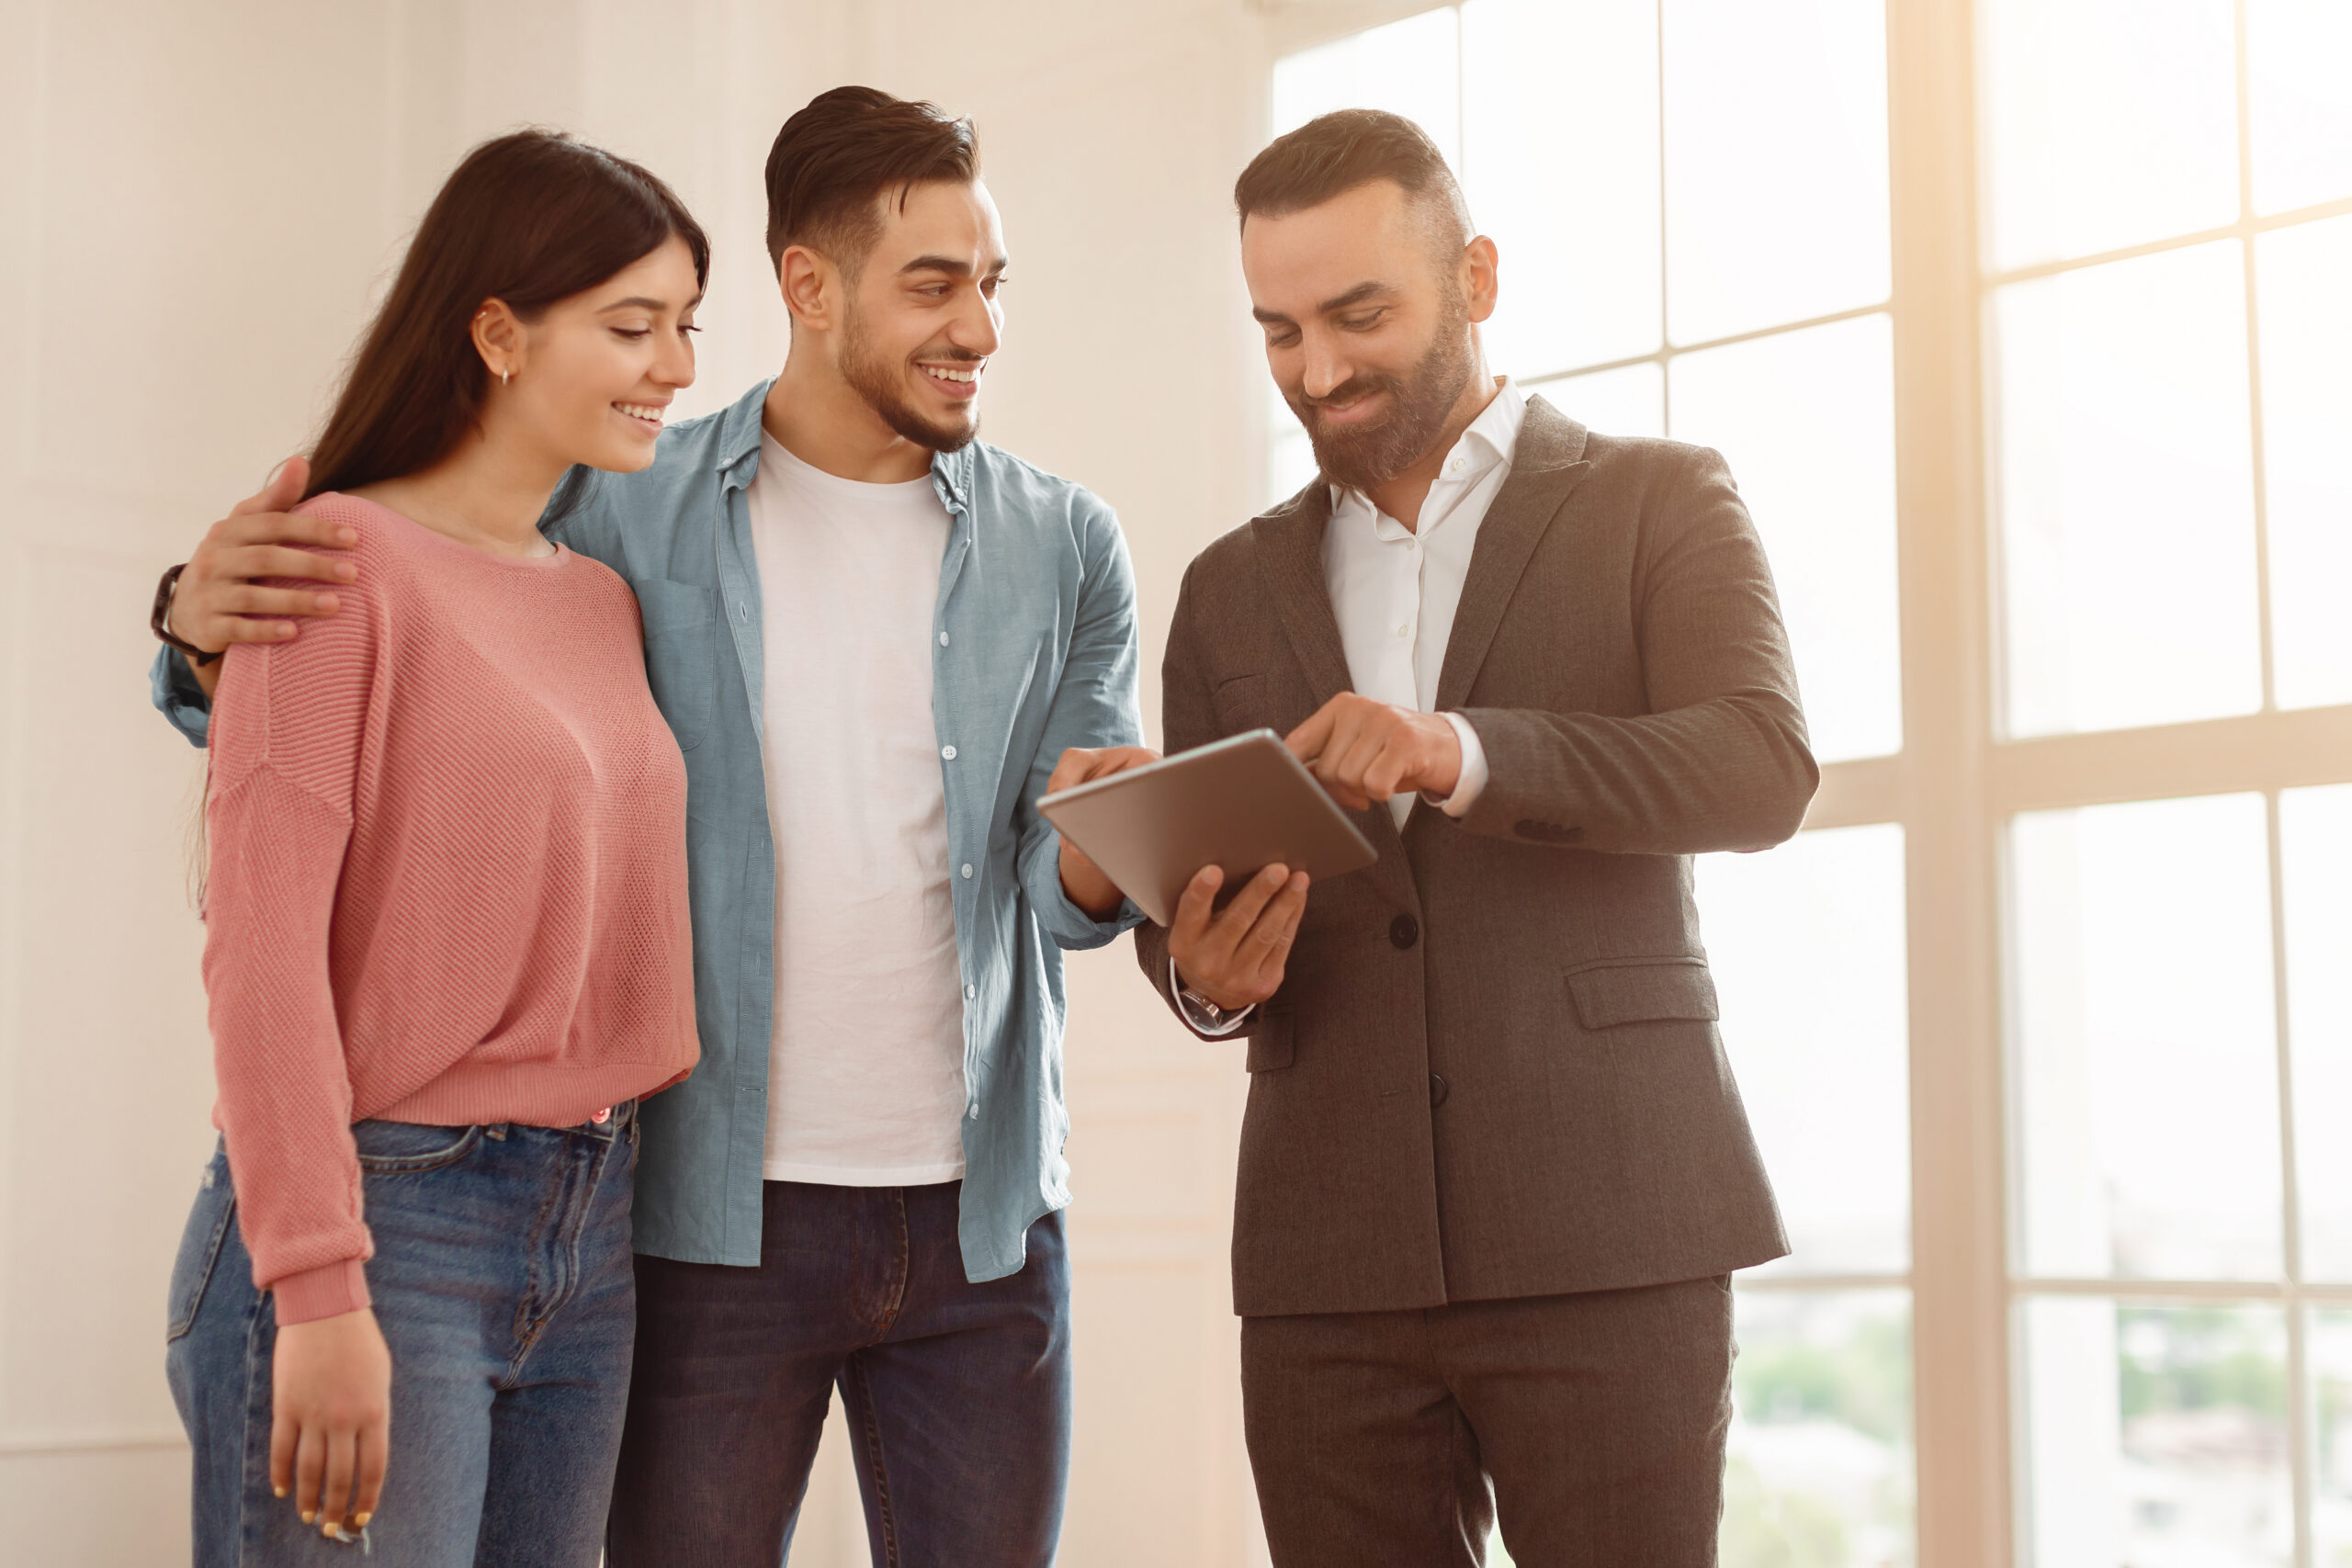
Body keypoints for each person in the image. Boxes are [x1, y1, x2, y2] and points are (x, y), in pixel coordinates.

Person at [151, 87, 1151, 1567]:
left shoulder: (1048, 545)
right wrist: (186, 627)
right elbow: (296, 806)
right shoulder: (604, 515)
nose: (980, 328)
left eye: (992, 283)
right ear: (810, 287)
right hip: (612, 1213)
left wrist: (1114, 850)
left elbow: (1060, 886)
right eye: (936, 283)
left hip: (818, 1218)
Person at [1133, 109, 1818, 1566]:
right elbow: (1185, 907)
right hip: (1327, 1266)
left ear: (1477, 279)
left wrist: (1459, 751)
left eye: (1358, 315)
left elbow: (1760, 766)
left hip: (1612, 1226)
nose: (1317, 372)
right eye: (1279, 332)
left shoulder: (1660, 497)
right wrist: (1201, 971)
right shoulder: (1224, 588)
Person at [161, 130, 705, 1567]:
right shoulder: (334, 564)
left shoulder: (602, 603)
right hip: (389, 1220)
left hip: (588, 1231)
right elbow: (263, 955)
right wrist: (319, 1286)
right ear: (496, 332)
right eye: (633, 326)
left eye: (687, 327)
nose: (677, 367)